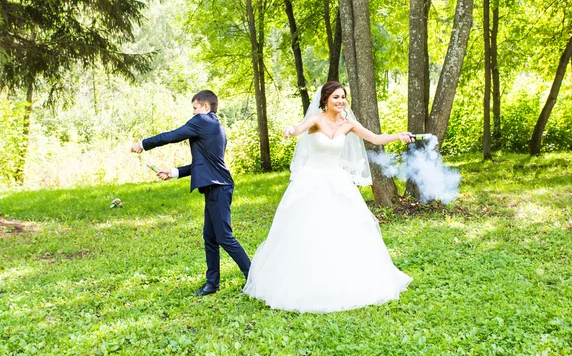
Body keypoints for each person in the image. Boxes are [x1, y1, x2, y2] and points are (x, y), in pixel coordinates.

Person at [243, 81, 413, 313]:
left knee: (345, 228)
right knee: (309, 229)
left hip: (337, 181)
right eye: (336, 97)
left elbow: (374, 138)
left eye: (343, 97)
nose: (341, 101)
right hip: (312, 181)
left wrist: (398, 136)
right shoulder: (316, 120)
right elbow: (297, 128)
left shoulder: (348, 124)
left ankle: (344, 279)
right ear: (325, 100)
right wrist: (289, 130)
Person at [131, 90, 251, 296]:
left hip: (219, 187)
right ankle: (212, 284)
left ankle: (254, 279)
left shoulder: (202, 121)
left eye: (195, 108)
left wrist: (142, 144)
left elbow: (171, 136)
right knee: (210, 238)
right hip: (216, 186)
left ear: (206, 107)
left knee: (224, 237)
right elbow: (202, 163)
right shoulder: (215, 126)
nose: (193, 113)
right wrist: (174, 172)